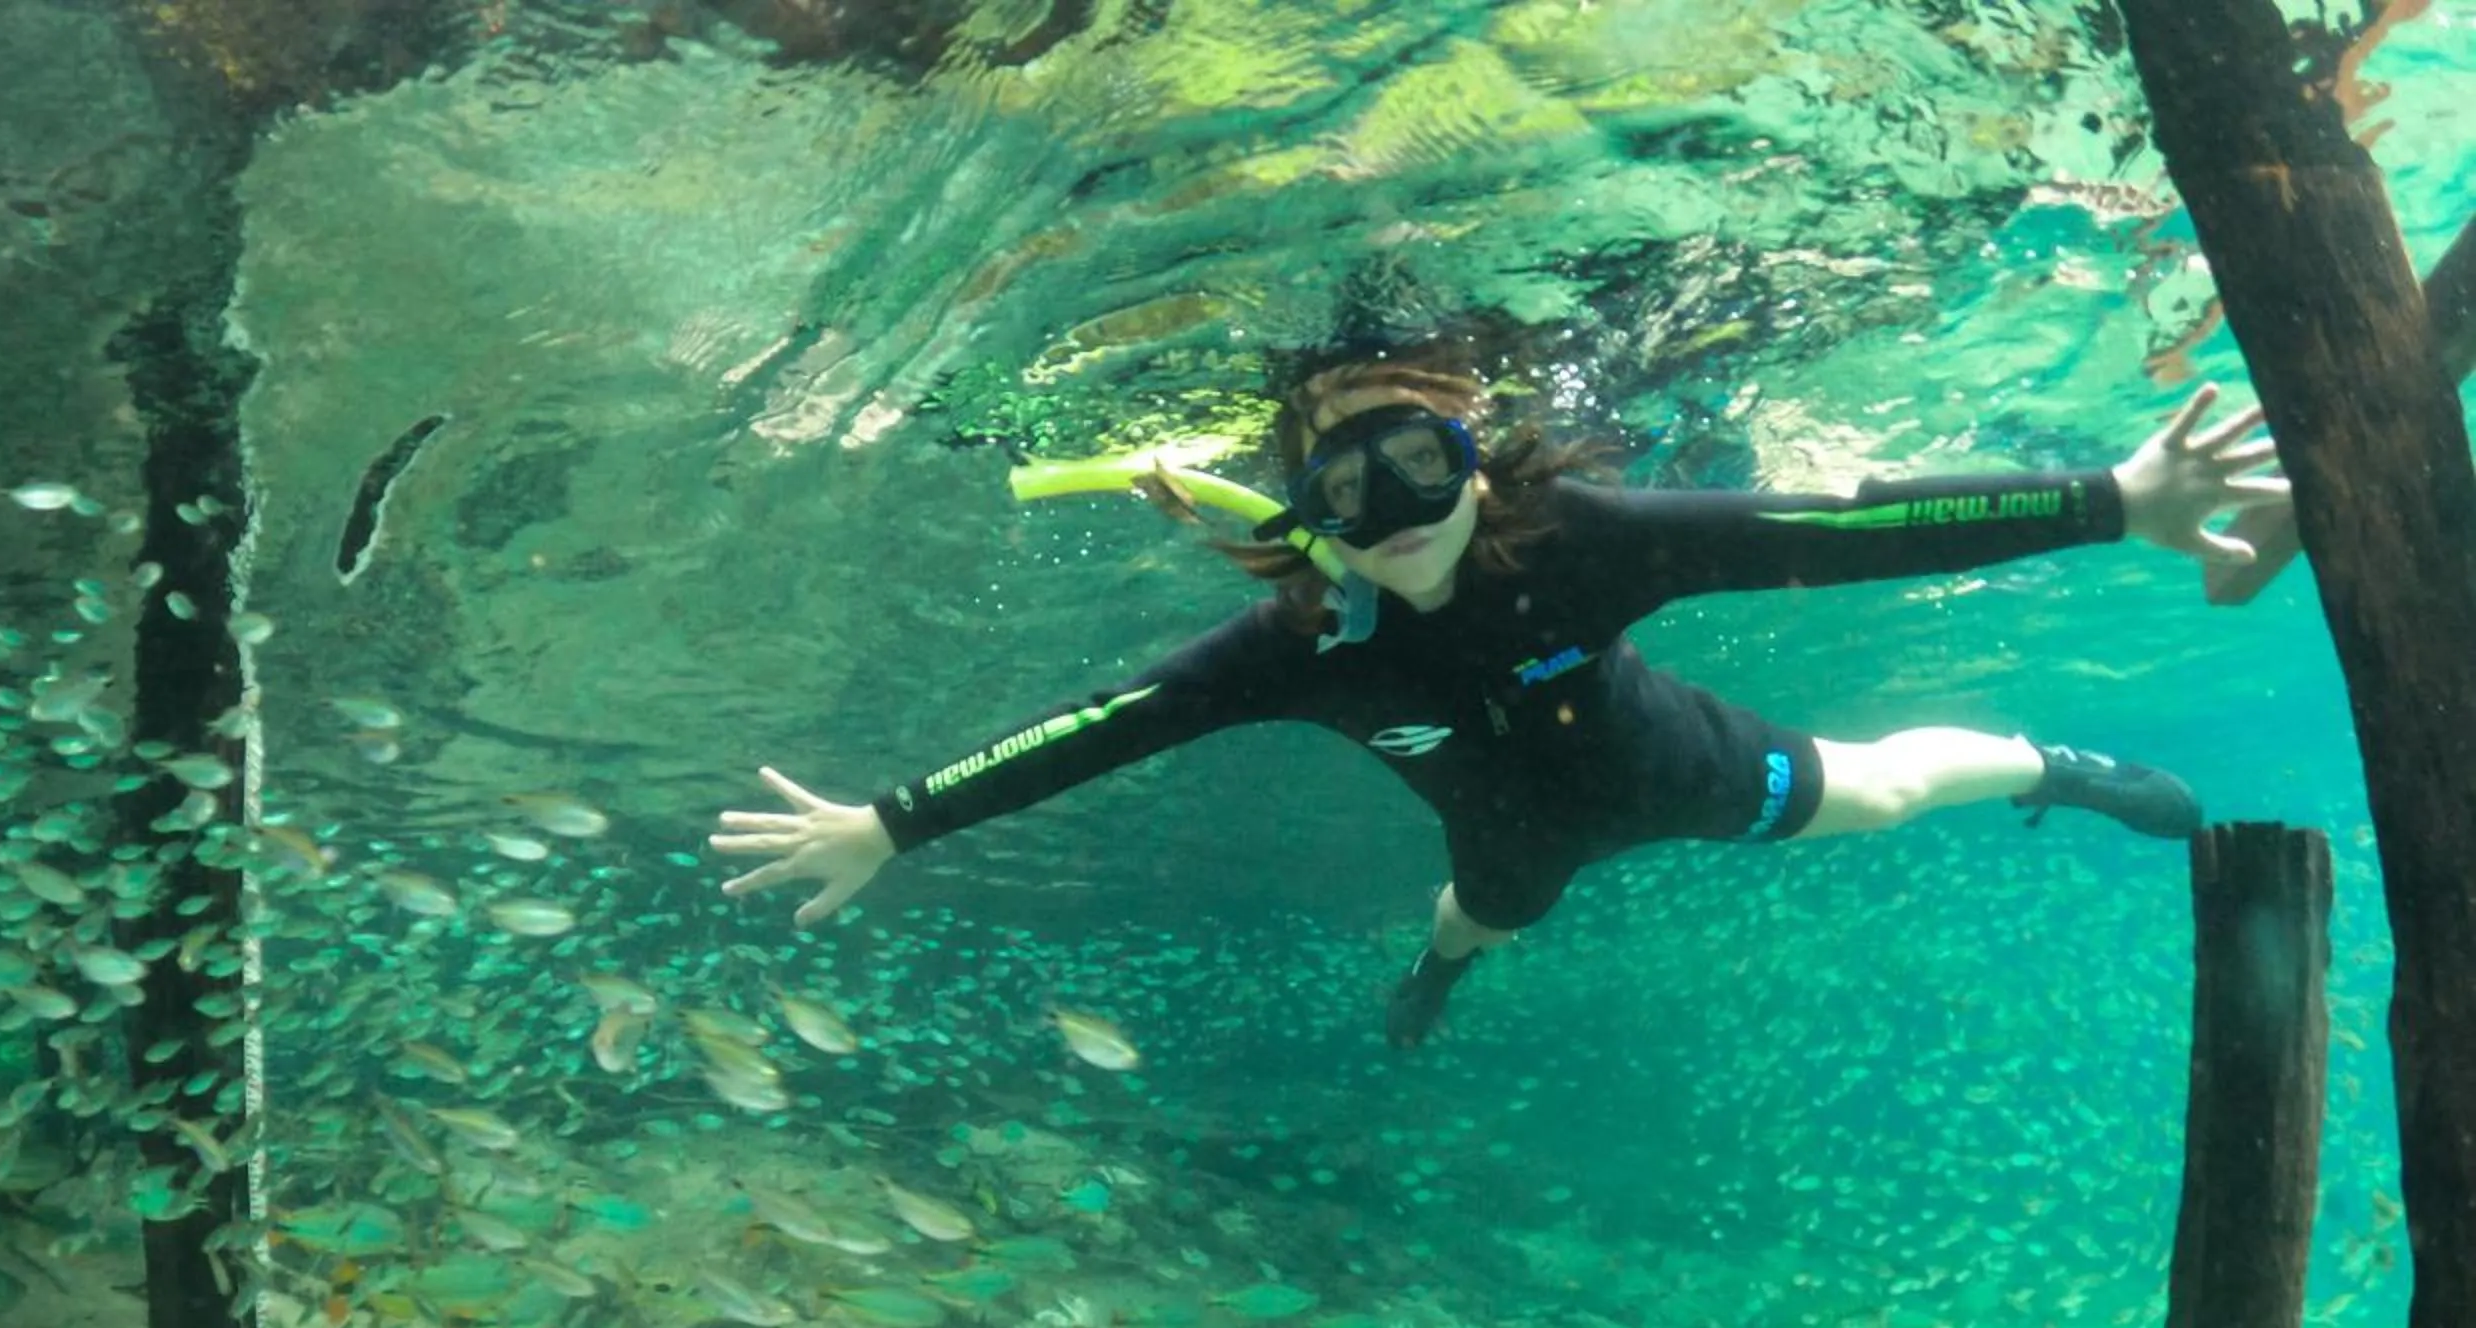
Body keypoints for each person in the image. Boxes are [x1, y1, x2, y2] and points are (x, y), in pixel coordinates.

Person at [709, 337, 2287, 1047]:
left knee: (1882, 790)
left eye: (1425, 458)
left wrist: (2111, 500)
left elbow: (1831, 529)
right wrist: (891, 822)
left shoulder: (1584, 547)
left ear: (1479, 461)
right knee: (1472, 921)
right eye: (1351, 478)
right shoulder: (1294, 650)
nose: (1396, 502)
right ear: (1305, 510)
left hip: (1680, 768)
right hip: (1512, 849)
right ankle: (1441, 982)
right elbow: (1105, 730)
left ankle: (2045, 763)